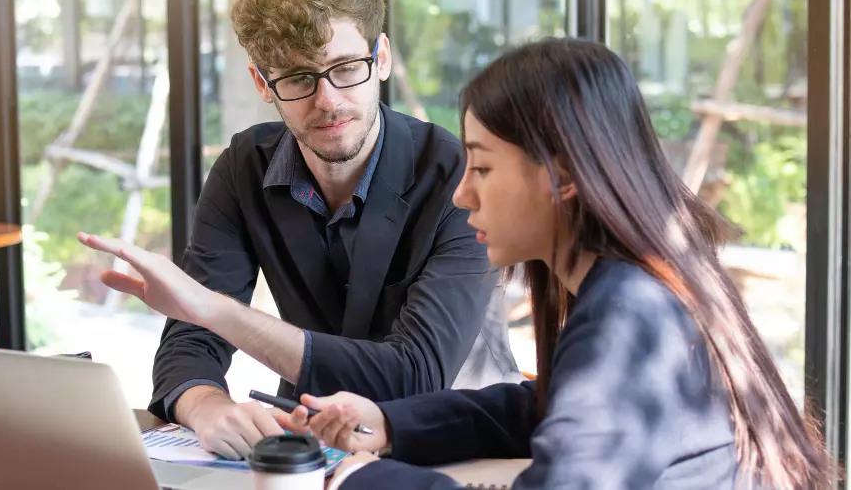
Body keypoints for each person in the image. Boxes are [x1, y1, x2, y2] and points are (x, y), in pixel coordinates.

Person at [275, 37, 835, 490]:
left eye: (484, 168)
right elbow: (545, 407)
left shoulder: (629, 316)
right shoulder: (632, 291)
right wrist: (389, 424)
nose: (461, 194)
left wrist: (360, 480)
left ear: (564, 175)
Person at [78, 0, 520, 461]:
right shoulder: (244, 168)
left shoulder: (455, 175)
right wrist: (205, 405)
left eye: (346, 68)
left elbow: (414, 374)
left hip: (457, 444)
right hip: (313, 443)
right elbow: (190, 341)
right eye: (297, 78)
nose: (327, 100)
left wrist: (214, 310)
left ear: (382, 58)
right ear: (263, 84)